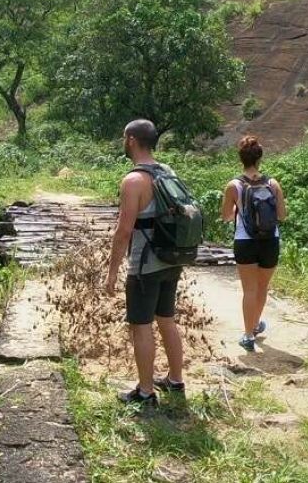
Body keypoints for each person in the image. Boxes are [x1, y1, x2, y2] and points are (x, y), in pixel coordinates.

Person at [105, 119, 185, 406]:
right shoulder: (168, 171)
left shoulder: (133, 181)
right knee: (167, 320)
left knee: (141, 326)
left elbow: (124, 231)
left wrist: (112, 272)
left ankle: (146, 392)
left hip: (144, 266)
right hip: (171, 260)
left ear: (130, 140)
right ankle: (176, 381)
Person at [220, 135, 287, 352]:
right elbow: (282, 215)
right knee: (262, 287)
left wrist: (238, 210)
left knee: (249, 290)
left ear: (241, 158)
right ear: (260, 158)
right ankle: (256, 324)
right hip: (270, 240)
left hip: (245, 241)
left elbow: (227, 217)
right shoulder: (272, 183)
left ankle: (248, 335)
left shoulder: (234, 185)